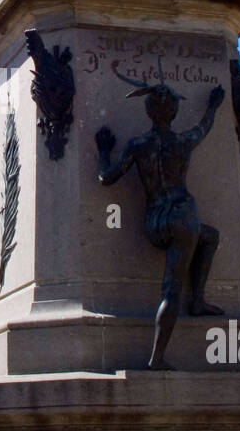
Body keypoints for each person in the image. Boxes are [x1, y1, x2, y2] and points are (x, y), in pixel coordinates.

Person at [96, 78, 225, 368]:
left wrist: (103, 150)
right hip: (182, 215)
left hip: (155, 221)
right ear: (175, 112)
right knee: (171, 290)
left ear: (149, 111)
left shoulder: (138, 145)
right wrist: (214, 105)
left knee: (210, 237)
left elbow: (106, 177)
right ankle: (157, 358)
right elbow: (205, 126)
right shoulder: (182, 142)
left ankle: (199, 301)